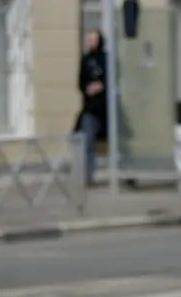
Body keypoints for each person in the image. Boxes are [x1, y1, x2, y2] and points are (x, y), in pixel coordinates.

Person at [77, 31, 108, 184]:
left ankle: (126, 172)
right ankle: (87, 176)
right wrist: (88, 89)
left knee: (120, 141)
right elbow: (80, 83)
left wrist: (102, 85)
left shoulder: (106, 59)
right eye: (90, 39)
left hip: (107, 108)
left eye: (94, 39)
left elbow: (113, 79)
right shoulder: (86, 59)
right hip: (91, 108)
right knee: (88, 142)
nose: (92, 42)